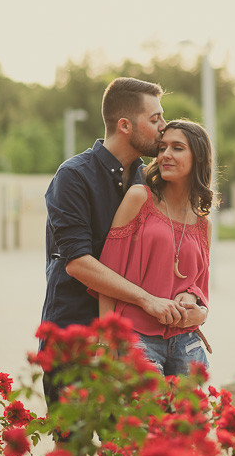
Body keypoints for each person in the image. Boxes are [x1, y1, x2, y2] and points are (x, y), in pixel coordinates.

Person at [40, 78, 206, 404]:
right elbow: (77, 263)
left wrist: (191, 300)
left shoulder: (151, 182)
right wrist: (147, 300)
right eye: (155, 118)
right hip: (76, 332)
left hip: (136, 341)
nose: (163, 127)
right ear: (126, 125)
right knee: (74, 447)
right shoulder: (73, 176)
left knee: (129, 448)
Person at [96, 120, 215, 376]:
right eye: (162, 148)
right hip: (137, 339)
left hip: (188, 343)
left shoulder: (204, 225)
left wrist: (197, 307)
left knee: (191, 417)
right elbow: (107, 273)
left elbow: (201, 288)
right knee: (147, 415)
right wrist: (105, 342)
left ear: (199, 158)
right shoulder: (139, 198)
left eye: (177, 148)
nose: (165, 155)